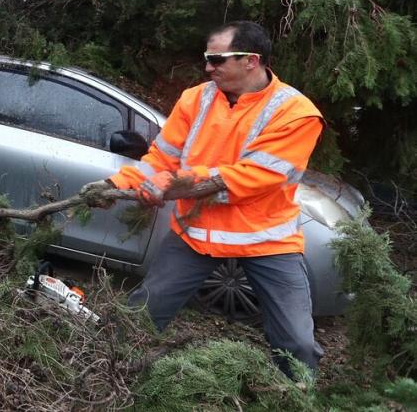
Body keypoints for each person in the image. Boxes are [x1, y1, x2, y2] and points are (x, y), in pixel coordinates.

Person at [80, 21, 324, 379]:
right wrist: (115, 184)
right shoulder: (195, 97)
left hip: (268, 241)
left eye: (216, 59)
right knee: (141, 316)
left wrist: (174, 183)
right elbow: (160, 160)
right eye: (207, 59)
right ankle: (105, 375)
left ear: (251, 61)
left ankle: (296, 397)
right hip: (196, 235)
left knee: (297, 343)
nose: (208, 67)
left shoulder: (297, 114)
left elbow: (251, 177)